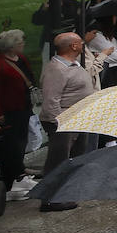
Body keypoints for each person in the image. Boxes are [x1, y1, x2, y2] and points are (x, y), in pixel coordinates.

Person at [38, 33, 95, 206]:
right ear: (73, 47)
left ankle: (65, 192)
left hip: (76, 120)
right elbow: (50, 101)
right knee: (58, 161)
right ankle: (50, 200)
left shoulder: (71, 65)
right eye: (80, 42)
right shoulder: (56, 69)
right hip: (63, 122)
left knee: (73, 159)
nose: (83, 43)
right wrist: (62, 124)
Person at [0, 29, 37, 200]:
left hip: (23, 108)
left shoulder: (21, 59)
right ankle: (11, 180)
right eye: (20, 43)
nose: (23, 45)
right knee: (12, 145)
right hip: (9, 111)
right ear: (11, 47)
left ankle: (19, 174)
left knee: (20, 142)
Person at [86, 0, 117, 89]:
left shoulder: (111, 35)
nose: (116, 18)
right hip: (104, 78)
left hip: (112, 74)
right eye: (114, 16)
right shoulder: (97, 36)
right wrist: (112, 55)